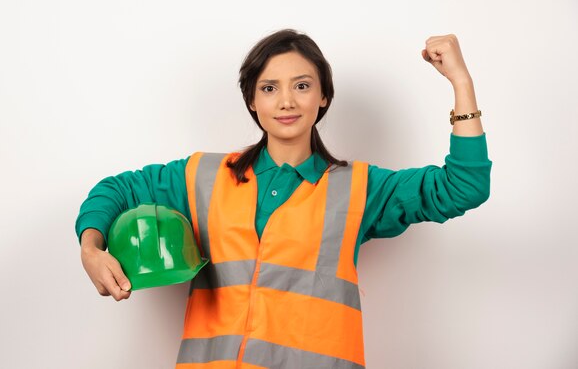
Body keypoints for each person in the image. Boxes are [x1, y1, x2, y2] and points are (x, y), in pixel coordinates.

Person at [75, 29, 492, 369]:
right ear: (253, 101)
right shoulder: (201, 176)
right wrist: (91, 248)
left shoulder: (361, 188)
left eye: (302, 86)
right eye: (270, 88)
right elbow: (117, 190)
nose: (287, 101)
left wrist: (461, 82)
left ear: (323, 97)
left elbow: (463, 187)